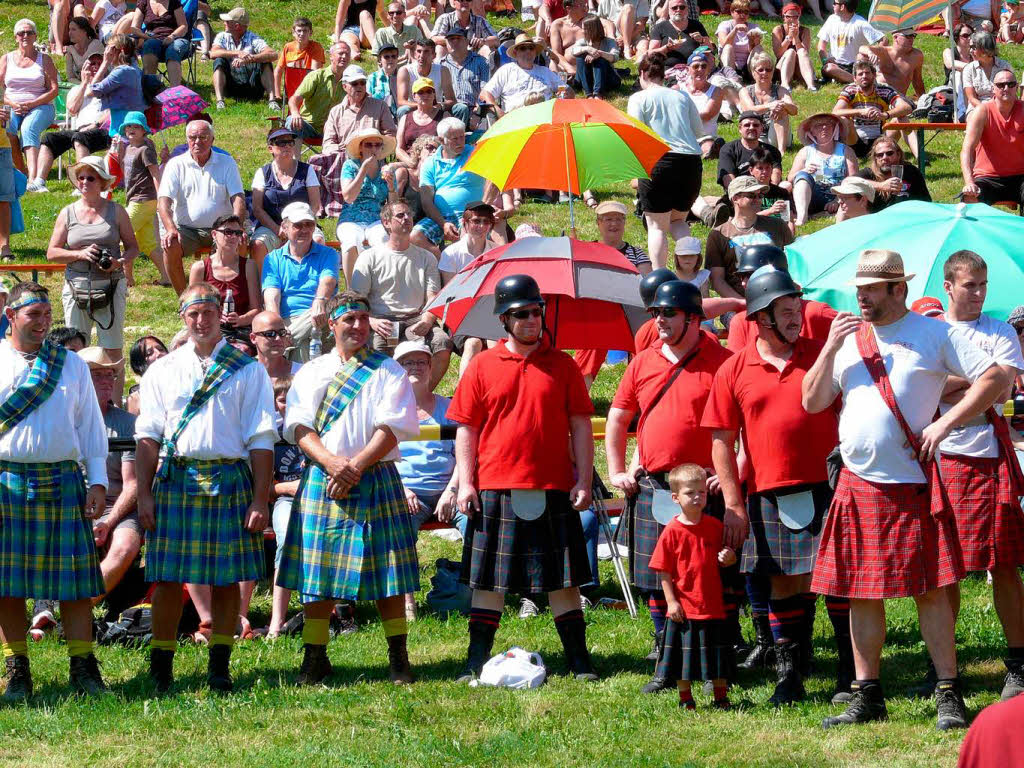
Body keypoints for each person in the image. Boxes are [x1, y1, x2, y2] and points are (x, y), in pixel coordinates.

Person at [802, 248, 1007, 730]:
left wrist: (948, 422)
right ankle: (868, 693)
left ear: (899, 289)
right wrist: (831, 347)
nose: (862, 297)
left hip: (913, 484)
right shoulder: (850, 339)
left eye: (871, 289)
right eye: (859, 289)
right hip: (856, 483)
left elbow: (996, 376)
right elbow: (812, 401)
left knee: (932, 590)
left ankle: (948, 693)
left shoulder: (933, 333)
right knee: (859, 591)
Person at [703, 267, 854, 706]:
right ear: (760, 317)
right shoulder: (734, 369)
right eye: (787, 312)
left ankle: (849, 672)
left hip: (829, 486)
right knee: (782, 584)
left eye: (797, 311)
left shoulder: (821, 355)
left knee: (839, 582)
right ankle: (791, 675)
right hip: (769, 492)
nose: (797, 320)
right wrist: (733, 503)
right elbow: (721, 442)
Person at [449, 274, 598, 682]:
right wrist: (466, 482)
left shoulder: (563, 365)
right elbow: (467, 428)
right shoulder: (481, 366)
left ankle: (580, 661)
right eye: (521, 313)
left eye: (536, 311)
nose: (532, 319)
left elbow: (581, 426)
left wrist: (583, 479)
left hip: (553, 486)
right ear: (504, 319)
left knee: (563, 580)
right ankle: (474, 660)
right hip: (496, 484)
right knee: (488, 582)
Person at [135, 282, 276, 693]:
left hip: (231, 477)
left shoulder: (248, 369)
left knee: (227, 578)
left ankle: (220, 664)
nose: (201, 320)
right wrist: (144, 494)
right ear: (183, 318)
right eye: (193, 313)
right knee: (165, 576)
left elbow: (261, 438)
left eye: (208, 312)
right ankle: (160, 667)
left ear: (220, 315)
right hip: (177, 477)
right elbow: (148, 437)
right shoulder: (163, 370)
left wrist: (260, 498)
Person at [276, 291, 420, 686]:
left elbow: (393, 428)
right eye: (348, 319)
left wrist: (354, 465)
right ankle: (315, 657)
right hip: (325, 476)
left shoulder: (388, 370)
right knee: (316, 574)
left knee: (389, 572)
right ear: (332, 324)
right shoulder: (311, 371)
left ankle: (398, 658)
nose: (357, 326)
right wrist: (331, 463)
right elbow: (300, 427)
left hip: (374, 476)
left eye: (362, 318)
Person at [605, 279, 734, 693]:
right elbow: (618, 418)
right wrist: (616, 470)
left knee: (709, 576)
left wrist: (731, 474)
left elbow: (744, 423)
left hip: (704, 488)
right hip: (656, 487)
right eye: (656, 313)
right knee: (658, 573)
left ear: (693, 317)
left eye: (668, 313)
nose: (659, 320)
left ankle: (718, 656)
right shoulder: (642, 363)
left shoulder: (723, 360)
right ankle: (666, 658)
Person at [0, 282, 110, 700]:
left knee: (74, 581)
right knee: (6, 584)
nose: (44, 322)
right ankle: (18, 672)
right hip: (5, 479)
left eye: (48, 315)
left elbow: (89, 426)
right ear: (11, 316)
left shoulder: (71, 364)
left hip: (63, 479)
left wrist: (97, 479)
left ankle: (83, 670)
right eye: (34, 315)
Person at [936, 251, 1024, 701]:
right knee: (943, 571)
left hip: (988, 457)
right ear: (948, 286)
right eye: (970, 285)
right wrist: (976, 383)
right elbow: (923, 387)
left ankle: (1018, 663)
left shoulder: (1000, 331)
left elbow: (1003, 385)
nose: (979, 292)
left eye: (983, 284)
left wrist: (950, 383)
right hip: (938, 460)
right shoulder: (932, 331)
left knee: (1004, 563)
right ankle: (948, 671)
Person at [46, 155, 139, 402]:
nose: (85, 182)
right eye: (81, 177)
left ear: (103, 182)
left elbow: (133, 247)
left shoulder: (117, 211)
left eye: (91, 177)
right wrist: (80, 254)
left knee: (112, 347)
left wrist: (118, 263)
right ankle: (78, 403)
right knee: (77, 348)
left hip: (111, 285)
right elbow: (52, 252)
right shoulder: (67, 213)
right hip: (76, 287)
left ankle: (114, 405)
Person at [649, 463, 737, 710]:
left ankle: (721, 697)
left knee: (717, 657)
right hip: (685, 608)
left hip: (713, 605)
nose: (697, 497)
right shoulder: (672, 531)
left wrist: (729, 556)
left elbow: (728, 556)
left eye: (702, 492)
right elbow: (663, 570)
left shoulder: (715, 526)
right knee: (683, 660)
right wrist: (672, 602)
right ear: (675, 497)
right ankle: (685, 698)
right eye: (690, 493)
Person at [351, 199, 452, 386]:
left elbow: (433, 298)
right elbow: (357, 300)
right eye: (400, 215)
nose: (407, 218)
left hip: (416, 318)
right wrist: (371, 320)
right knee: (376, 351)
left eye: (409, 215)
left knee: (442, 343)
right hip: (383, 320)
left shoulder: (426, 257)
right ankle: (384, 397)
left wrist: (428, 320)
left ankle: (423, 395)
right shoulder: (369, 257)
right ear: (386, 223)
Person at [627, 53, 707, 270]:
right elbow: (699, 130)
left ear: (643, 74)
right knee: (678, 221)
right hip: (690, 162)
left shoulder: (638, 98)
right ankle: (690, 274)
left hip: (659, 161)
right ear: (663, 75)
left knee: (656, 226)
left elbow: (636, 133)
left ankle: (659, 277)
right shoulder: (682, 97)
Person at [80, 346, 143, 606]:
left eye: (111, 375)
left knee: (125, 546)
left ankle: (81, 607)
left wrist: (109, 521)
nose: (107, 381)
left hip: (120, 506)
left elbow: (133, 484)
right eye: (98, 375)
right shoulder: (67, 421)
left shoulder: (128, 424)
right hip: (76, 506)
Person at [158, 119, 247, 295]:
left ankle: (237, 295)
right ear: (187, 140)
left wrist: (237, 226)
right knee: (170, 245)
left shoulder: (227, 162)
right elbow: (163, 201)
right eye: (192, 137)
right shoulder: (175, 164)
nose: (197, 142)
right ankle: (186, 298)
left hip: (222, 227)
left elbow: (238, 198)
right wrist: (170, 229)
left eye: (203, 137)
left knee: (241, 242)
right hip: (187, 229)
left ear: (212, 139)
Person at [394, 340, 466, 538]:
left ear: (431, 367)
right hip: (408, 494)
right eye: (407, 363)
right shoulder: (389, 411)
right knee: (399, 531)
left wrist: (452, 490)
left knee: (477, 526)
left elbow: (464, 455)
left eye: (421, 362)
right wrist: (402, 491)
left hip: (449, 491)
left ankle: (471, 570)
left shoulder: (449, 408)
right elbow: (380, 459)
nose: (415, 367)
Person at [262, 202, 341, 362]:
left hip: (320, 314)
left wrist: (319, 300)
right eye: (298, 225)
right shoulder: (273, 259)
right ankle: (287, 342)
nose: (304, 230)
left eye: (309, 224)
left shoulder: (328, 254)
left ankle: (280, 347)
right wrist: (278, 326)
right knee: (305, 344)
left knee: (317, 317)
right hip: (287, 319)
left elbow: (328, 282)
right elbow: (271, 297)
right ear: (285, 227)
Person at [724, 244, 837, 352]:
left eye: (750, 275)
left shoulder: (815, 312)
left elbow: (854, 336)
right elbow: (736, 368)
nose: (743, 283)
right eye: (741, 276)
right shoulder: (741, 322)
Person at [706, 176, 794, 300]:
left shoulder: (778, 226)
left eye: (760, 195)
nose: (758, 200)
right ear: (735, 198)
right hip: (739, 301)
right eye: (751, 196)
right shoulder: (719, 235)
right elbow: (717, 280)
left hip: (778, 296)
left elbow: (794, 263)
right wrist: (741, 304)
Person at [34, 51, 109, 194]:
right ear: (84, 67)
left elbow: (112, 112)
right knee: (49, 138)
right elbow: (72, 109)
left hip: (103, 130)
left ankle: (82, 184)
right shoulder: (76, 89)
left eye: (99, 64)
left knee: (80, 137)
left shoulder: (109, 87)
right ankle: (39, 181)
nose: (95, 67)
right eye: (92, 63)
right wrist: (85, 83)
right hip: (80, 131)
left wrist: (96, 124)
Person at [251, 127, 323, 272]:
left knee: (318, 240)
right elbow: (257, 209)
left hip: (303, 224)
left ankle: (313, 286)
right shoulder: (263, 172)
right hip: (272, 226)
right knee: (258, 244)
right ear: (270, 148)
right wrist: (278, 230)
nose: (287, 146)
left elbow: (315, 205)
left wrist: (299, 227)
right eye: (281, 143)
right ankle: (261, 289)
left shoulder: (307, 170)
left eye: (290, 142)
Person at [412, 118, 489, 253]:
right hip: (440, 216)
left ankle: (465, 270)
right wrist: (443, 224)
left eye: (462, 137)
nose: (461, 142)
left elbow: (493, 178)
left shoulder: (476, 155)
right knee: (415, 237)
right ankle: (443, 265)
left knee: (468, 240)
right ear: (441, 141)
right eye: (455, 139)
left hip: (471, 214)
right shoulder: (430, 163)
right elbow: (426, 201)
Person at [1, 20, 60, 190]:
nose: (25, 36)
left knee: (28, 128)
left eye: (29, 32)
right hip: (11, 104)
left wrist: (32, 103)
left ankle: (34, 180)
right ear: (15, 37)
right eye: (21, 33)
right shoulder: (6, 59)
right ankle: (21, 172)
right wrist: (11, 103)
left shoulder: (45, 60)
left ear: (35, 36)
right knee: (7, 129)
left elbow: (54, 89)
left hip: (41, 105)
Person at [266, 375, 303, 637]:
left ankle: (334, 612)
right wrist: (291, 488)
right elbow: (266, 488)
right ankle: (275, 622)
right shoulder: (271, 438)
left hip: (320, 498)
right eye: (282, 400)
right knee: (285, 540)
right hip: (286, 499)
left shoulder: (316, 432)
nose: (288, 404)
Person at [338, 128, 398, 282]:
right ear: (360, 147)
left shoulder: (386, 170)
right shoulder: (350, 166)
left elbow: (393, 206)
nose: (373, 149)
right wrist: (363, 170)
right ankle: (352, 292)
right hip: (351, 217)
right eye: (368, 145)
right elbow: (348, 197)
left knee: (383, 240)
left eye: (377, 145)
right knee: (350, 242)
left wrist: (391, 187)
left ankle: (377, 287)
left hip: (376, 218)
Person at [188, 213, 260, 337]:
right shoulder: (200, 268)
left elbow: (257, 309)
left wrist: (241, 319)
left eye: (237, 233)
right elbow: (192, 307)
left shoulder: (249, 266)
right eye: (228, 232)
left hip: (239, 331)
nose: (233, 237)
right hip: (207, 328)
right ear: (214, 235)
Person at [961, 67, 1024, 208]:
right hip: (988, 178)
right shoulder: (982, 111)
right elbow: (967, 150)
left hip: (1020, 176)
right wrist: (969, 182)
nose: (1006, 88)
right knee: (970, 198)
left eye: (1011, 84)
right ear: (993, 89)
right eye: (1001, 85)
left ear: (1017, 87)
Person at [118, 110, 168, 286]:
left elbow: (155, 174)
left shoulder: (145, 149)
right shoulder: (128, 148)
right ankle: (166, 276)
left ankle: (127, 278)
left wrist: (161, 199)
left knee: (122, 235)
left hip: (144, 200)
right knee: (148, 244)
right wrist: (118, 151)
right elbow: (125, 173)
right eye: (129, 126)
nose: (132, 129)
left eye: (136, 126)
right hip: (133, 198)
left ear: (143, 130)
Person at [832, 60, 913, 160]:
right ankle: (841, 154)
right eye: (860, 74)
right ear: (855, 78)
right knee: (844, 119)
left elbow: (906, 108)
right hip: (856, 141)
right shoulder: (850, 90)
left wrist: (885, 115)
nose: (864, 76)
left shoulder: (884, 90)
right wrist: (860, 111)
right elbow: (835, 112)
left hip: (881, 141)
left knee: (901, 118)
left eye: (867, 73)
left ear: (874, 75)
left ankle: (920, 156)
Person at [788, 112, 858, 226]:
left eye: (828, 124)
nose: (824, 127)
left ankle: (831, 210)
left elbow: (853, 179)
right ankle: (802, 218)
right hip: (812, 194)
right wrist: (804, 170)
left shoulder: (846, 151)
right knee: (802, 176)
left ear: (835, 129)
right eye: (818, 125)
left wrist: (837, 199)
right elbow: (790, 178)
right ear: (812, 132)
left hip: (838, 194)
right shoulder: (806, 151)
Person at [210, 7, 279, 112]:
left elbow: (273, 54)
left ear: (237, 26)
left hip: (253, 87)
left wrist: (250, 59)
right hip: (230, 88)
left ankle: (272, 101)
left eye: (227, 22)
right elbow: (213, 53)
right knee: (218, 61)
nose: (224, 23)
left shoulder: (253, 38)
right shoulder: (222, 36)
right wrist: (238, 53)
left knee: (266, 62)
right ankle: (220, 101)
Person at [322, 65, 398, 157]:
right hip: (343, 159)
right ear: (344, 86)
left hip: (373, 159)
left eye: (363, 83)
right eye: (354, 83)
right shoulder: (336, 112)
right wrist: (340, 148)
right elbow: (328, 143)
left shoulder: (380, 106)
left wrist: (376, 148)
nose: (359, 86)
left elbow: (390, 136)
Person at [480, 34, 566, 116]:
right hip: (517, 118)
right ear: (515, 52)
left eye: (531, 48)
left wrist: (565, 93)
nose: (528, 51)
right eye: (523, 48)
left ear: (535, 52)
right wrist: (498, 112)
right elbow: (485, 94)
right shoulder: (506, 70)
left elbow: (566, 90)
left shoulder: (545, 71)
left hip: (545, 116)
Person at [287, 42, 351, 142]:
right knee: (292, 121)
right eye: (341, 53)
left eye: (347, 54)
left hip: (336, 130)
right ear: (331, 56)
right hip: (309, 127)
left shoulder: (351, 81)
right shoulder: (316, 76)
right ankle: (296, 158)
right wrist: (295, 113)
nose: (344, 57)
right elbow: (294, 99)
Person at [86, 33, 145, 139]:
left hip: (123, 127)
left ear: (120, 50)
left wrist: (105, 63)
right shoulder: (134, 68)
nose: (106, 51)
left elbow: (90, 91)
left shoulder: (122, 71)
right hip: (129, 124)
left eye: (110, 48)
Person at [856, 135, 930, 213]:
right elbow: (847, 182)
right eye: (880, 155)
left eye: (889, 153)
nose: (884, 157)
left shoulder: (911, 172)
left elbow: (926, 203)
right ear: (875, 158)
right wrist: (881, 186)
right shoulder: (870, 173)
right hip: (880, 220)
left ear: (898, 154)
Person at [738, 53, 797, 151]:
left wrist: (783, 105)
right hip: (756, 136)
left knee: (781, 111)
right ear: (753, 72)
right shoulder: (745, 91)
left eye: (768, 70)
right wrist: (771, 105)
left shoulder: (780, 90)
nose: (764, 73)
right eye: (760, 70)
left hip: (777, 136)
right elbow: (750, 110)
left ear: (772, 72)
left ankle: (781, 151)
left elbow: (794, 110)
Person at [817, 0, 883, 85]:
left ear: (842, 7)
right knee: (828, 68)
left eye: (835, 3)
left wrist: (874, 54)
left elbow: (883, 40)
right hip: (834, 65)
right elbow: (821, 45)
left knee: (860, 58)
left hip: (854, 66)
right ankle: (858, 80)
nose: (833, 5)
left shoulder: (860, 23)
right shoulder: (832, 19)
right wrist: (825, 60)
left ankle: (854, 79)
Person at [127, 0, 190, 88]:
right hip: (153, 38)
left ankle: (175, 91)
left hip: (176, 38)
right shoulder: (144, 2)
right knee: (150, 44)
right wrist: (145, 37)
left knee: (173, 50)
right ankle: (150, 89)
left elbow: (183, 26)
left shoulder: (173, 2)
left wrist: (172, 36)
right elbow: (134, 28)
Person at [717, 111, 783, 195]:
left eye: (756, 125)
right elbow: (728, 178)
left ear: (761, 128)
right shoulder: (728, 149)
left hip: (767, 191)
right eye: (747, 125)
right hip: (740, 193)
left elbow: (776, 172)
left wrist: (768, 191)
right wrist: (742, 195)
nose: (751, 128)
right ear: (740, 128)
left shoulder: (771, 150)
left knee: (786, 186)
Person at [439, 27, 490, 128]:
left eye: (458, 38)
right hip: (448, 112)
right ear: (446, 43)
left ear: (467, 42)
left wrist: (477, 114)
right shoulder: (439, 65)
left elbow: (485, 91)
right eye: (451, 39)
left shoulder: (481, 62)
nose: (454, 42)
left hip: (474, 112)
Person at [859, 28, 925, 103]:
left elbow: (918, 82)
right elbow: (862, 48)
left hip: (898, 99)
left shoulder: (916, 56)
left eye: (913, 35)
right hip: (878, 94)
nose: (911, 39)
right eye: (907, 36)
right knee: (861, 56)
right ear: (895, 37)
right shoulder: (884, 51)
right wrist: (870, 52)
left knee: (905, 108)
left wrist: (923, 101)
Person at [273, 17, 325, 108]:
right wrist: (277, 95)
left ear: (310, 33)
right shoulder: (288, 47)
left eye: (305, 31)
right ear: (293, 33)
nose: (302, 34)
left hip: (309, 89)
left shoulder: (316, 48)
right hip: (291, 88)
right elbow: (278, 70)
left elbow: (314, 73)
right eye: (299, 31)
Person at [396, 40, 457, 116]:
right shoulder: (405, 71)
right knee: (403, 110)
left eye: (426, 52)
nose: (421, 55)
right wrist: (424, 106)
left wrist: (440, 105)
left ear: (434, 55)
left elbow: (452, 100)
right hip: (415, 109)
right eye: (419, 51)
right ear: (415, 54)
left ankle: (461, 127)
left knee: (460, 108)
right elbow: (401, 101)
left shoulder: (443, 71)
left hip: (437, 108)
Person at [682, 50, 724, 155]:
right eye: (696, 67)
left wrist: (682, 116)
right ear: (688, 70)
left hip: (705, 136)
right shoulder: (679, 89)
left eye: (704, 66)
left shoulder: (717, 91)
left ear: (708, 69)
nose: (700, 69)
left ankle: (710, 150)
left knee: (707, 146)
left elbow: (707, 115)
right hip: (683, 135)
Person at [569, 15, 621, 98]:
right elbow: (573, 51)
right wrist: (587, 48)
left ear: (593, 30)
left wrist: (599, 54)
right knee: (580, 57)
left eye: (584, 29)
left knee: (600, 60)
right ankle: (589, 94)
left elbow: (615, 57)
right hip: (588, 79)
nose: (582, 31)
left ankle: (598, 94)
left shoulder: (609, 41)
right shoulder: (583, 42)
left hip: (607, 79)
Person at [647, 0, 710, 68]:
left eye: (682, 7)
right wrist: (667, 48)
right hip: (668, 70)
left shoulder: (696, 25)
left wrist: (702, 40)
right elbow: (650, 54)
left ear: (687, 9)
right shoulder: (660, 27)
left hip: (694, 68)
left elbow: (710, 49)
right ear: (668, 10)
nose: (678, 10)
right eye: (674, 8)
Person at [962, 31, 1011, 113]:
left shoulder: (1004, 66)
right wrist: (987, 110)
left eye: (973, 47)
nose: (970, 51)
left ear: (985, 48)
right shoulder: (969, 69)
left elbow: (1010, 94)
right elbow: (971, 98)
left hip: (1001, 106)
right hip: (977, 108)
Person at [397, 78, 442, 164]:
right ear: (414, 96)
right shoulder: (405, 118)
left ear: (434, 95)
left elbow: (448, 145)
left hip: (434, 162)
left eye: (429, 91)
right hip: (410, 163)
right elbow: (399, 149)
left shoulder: (444, 117)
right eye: (421, 92)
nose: (425, 95)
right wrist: (411, 162)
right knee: (399, 173)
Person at [430, 0, 497, 57]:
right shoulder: (445, 18)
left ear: (472, 4)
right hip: (451, 58)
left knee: (486, 49)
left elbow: (496, 40)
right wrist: (454, 40)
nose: (465, 2)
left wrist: (483, 41)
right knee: (439, 48)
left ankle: (488, 72)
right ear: (453, 3)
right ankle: (440, 72)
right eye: (461, 0)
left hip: (474, 58)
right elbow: (434, 39)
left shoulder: (480, 20)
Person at [773, 3, 816, 91]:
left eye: (795, 17)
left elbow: (806, 53)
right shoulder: (778, 30)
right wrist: (789, 37)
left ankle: (811, 86)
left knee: (802, 51)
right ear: (784, 17)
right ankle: (784, 85)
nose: (792, 19)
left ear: (799, 17)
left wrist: (796, 37)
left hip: (800, 69)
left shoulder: (805, 31)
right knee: (790, 52)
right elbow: (778, 54)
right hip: (782, 68)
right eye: (788, 17)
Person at [715, 0, 763, 77]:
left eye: (746, 12)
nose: (742, 15)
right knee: (728, 47)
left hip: (747, 65)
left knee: (758, 48)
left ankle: (756, 76)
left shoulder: (754, 27)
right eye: (739, 11)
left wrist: (751, 40)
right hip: (729, 62)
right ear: (732, 12)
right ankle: (730, 77)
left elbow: (754, 51)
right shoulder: (724, 25)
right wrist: (735, 30)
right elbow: (723, 44)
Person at [250, 310, 299, 381]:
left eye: (282, 333)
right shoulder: (246, 376)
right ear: (253, 338)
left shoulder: (301, 373)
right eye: (270, 334)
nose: (278, 338)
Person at [64, 17, 105, 84]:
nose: (70, 33)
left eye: (73, 29)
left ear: (84, 31)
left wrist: (73, 51)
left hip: (98, 84)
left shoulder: (96, 44)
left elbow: (83, 65)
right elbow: (70, 77)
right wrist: (82, 86)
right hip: (82, 86)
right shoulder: (71, 49)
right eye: (69, 29)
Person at [369, 43, 403, 118]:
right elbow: (367, 100)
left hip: (400, 116)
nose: (390, 59)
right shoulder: (372, 78)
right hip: (378, 115)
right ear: (379, 60)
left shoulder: (403, 76)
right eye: (386, 57)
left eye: (394, 56)